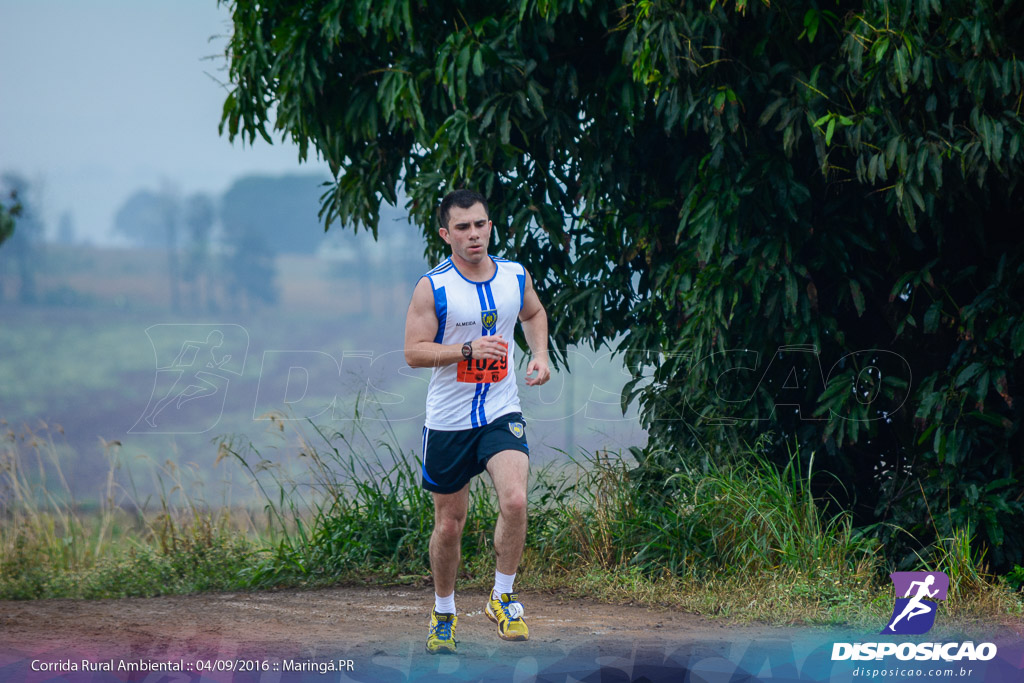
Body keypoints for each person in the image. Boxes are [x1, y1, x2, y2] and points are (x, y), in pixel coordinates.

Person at [404, 189, 550, 655]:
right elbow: (413, 352)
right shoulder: (434, 286)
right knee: (449, 524)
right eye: (463, 227)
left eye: (480, 225)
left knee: (516, 499)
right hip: (448, 421)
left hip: (500, 411)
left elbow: (534, 312)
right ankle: (444, 612)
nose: (474, 235)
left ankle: (502, 598)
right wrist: (465, 350)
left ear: (491, 226)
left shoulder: (513, 275)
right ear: (445, 234)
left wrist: (541, 355)